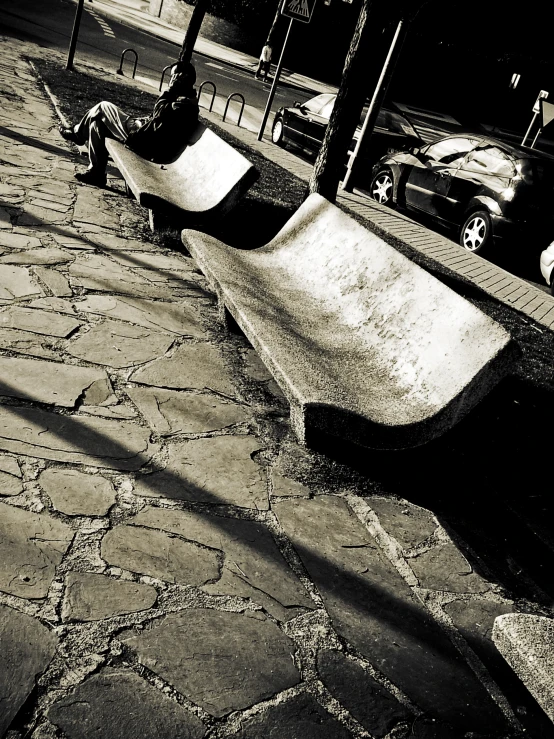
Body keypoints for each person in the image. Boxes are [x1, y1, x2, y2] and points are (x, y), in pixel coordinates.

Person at [59, 60, 199, 187]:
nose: (171, 80)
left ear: (184, 78)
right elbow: (159, 119)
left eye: (174, 76)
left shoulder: (185, 104)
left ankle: (78, 134)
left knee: (103, 106)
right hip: (143, 133)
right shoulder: (184, 99)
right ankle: (96, 173)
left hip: (143, 142)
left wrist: (170, 90)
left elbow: (159, 115)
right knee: (97, 124)